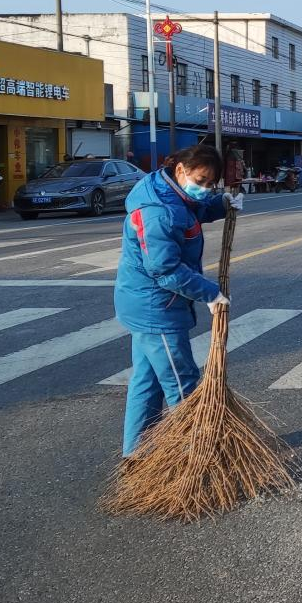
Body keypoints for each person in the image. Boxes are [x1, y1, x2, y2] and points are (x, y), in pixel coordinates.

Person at [114, 143, 244, 457]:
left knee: (148, 381)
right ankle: (194, 456)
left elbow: (191, 209)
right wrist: (210, 293)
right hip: (156, 308)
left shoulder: (171, 191)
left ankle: (136, 454)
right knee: (181, 382)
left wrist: (219, 203)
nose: (204, 189)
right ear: (181, 170)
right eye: (200, 182)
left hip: (149, 305)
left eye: (210, 184)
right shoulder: (157, 209)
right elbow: (164, 269)